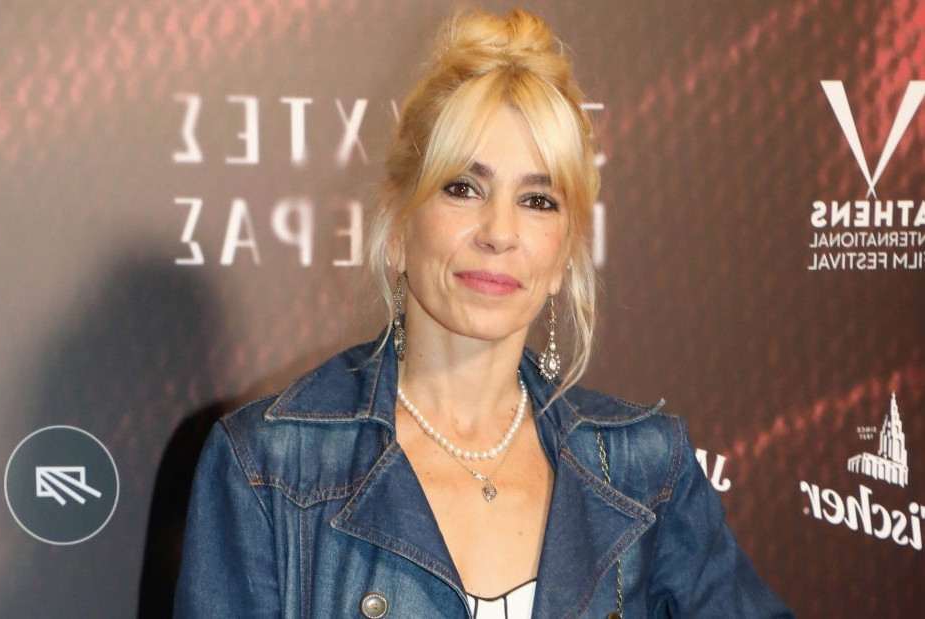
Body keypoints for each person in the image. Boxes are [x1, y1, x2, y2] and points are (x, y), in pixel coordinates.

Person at [175, 8, 793, 618]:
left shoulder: (645, 468)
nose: (499, 232)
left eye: (538, 200)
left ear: (564, 257)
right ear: (397, 228)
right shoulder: (270, 465)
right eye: (463, 188)